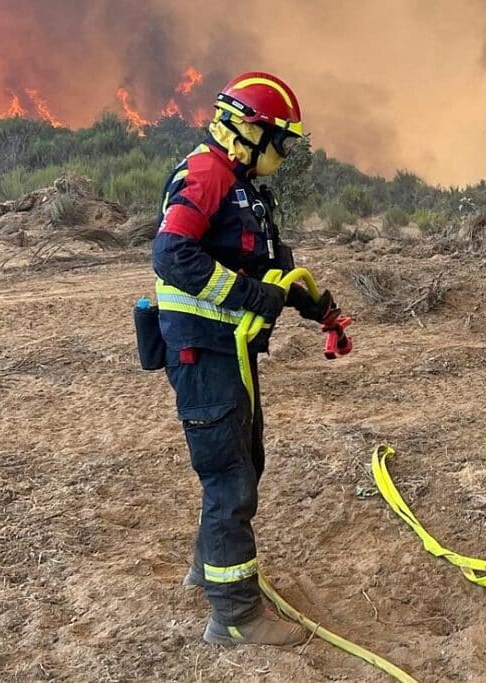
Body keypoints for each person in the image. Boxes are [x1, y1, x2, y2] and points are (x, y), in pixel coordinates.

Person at [151, 72, 340, 647]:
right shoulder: (207, 174)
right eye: (280, 142)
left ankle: (207, 569)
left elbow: (274, 266)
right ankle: (233, 615)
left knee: (242, 464)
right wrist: (246, 297)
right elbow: (171, 253)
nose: (283, 155)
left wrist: (322, 311)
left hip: (229, 353)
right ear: (248, 131)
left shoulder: (245, 189)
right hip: (203, 353)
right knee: (230, 477)